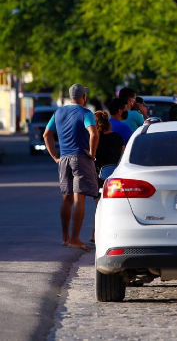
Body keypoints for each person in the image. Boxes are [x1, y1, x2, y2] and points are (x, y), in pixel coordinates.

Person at [42, 84, 98, 251]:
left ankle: (65, 238)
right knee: (79, 198)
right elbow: (94, 134)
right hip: (81, 158)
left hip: (64, 159)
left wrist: (55, 156)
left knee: (66, 198)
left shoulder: (58, 112)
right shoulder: (86, 113)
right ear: (84, 97)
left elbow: (47, 134)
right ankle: (75, 239)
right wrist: (93, 154)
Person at [92, 110, 125, 242]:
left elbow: (91, 155)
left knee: (99, 207)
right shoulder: (117, 137)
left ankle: (95, 234)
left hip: (98, 175)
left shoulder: (94, 138)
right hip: (115, 176)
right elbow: (123, 155)